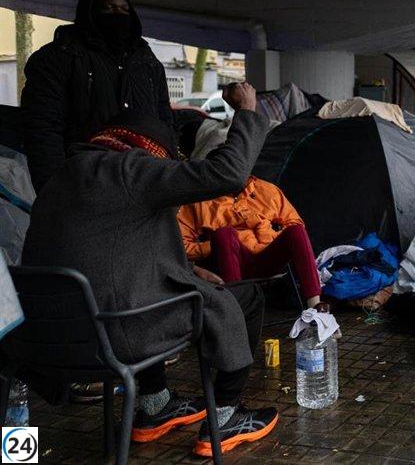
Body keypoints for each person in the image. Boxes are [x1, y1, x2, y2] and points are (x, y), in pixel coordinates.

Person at [22, 83, 278, 456]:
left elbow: (119, 252)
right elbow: (228, 174)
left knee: (155, 288)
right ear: (153, 150)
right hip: (113, 337)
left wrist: (187, 267)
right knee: (244, 297)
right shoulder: (132, 167)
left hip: (45, 343)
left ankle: (155, 405)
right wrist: (248, 111)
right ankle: (225, 413)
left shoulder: (65, 175)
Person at [21, 0, 173, 192]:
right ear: (90, 12)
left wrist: (170, 171)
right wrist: (53, 190)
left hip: (144, 182)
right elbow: (43, 128)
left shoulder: (147, 62)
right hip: (85, 182)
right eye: (109, 8)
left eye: (124, 9)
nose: (118, 15)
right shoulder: (57, 59)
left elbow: (164, 120)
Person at [177, 176, 326, 310]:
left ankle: (316, 309)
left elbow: (293, 221)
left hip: (267, 258)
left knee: (296, 230)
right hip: (230, 263)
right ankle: (238, 311)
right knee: (224, 234)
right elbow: (182, 245)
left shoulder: (265, 189)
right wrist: (214, 245)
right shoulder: (201, 200)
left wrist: (265, 233)